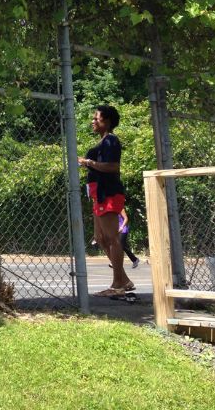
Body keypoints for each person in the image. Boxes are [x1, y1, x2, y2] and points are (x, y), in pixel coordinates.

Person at [77, 105, 134, 295]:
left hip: (108, 193)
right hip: (98, 194)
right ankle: (123, 279)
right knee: (100, 238)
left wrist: (88, 162)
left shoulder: (111, 141)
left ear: (107, 121)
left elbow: (112, 167)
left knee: (111, 238)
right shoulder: (103, 142)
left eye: (97, 118)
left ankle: (118, 283)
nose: (93, 121)